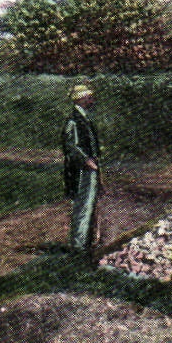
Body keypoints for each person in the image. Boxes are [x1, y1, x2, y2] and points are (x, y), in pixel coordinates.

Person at [62, 83, 101, 256]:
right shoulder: (73, 121)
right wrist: (86, 160)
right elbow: (71, 146)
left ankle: (85, 242)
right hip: (81, 171)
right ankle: (79, 245)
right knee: (82, 206)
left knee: (89, 205)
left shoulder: (84, 119)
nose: (92, 100)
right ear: (81, 99)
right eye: (89, 97)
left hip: (89, 169)